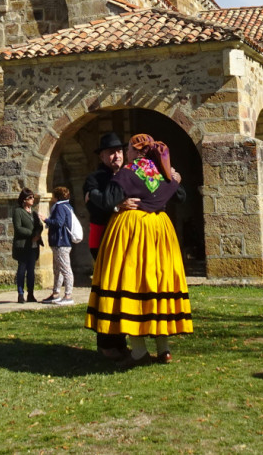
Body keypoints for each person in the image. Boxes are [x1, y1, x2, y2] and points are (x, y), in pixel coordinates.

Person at [86, 134, 192, 365]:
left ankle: (138, 351)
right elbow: (180, 196)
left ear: (133, 151)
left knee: (131, 285)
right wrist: (175, 178)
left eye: (126, 150)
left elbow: (107, 201)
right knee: (157, 286)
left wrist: (98, 197)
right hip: (160, 231)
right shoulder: (163, 172)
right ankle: (164, 348)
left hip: (132, 231)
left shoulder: (127, 173)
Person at [83, 132, 139, 359]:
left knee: (124, 290)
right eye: (110, 152)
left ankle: (121, 340)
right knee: (107, 291)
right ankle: (106, 343)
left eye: (118, 151)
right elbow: (96, 205)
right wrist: (118, 206)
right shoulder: (95, 178)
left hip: (125, 239)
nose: (115, 155)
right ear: (102, 156)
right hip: (103, 238)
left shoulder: (130, 174)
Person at [43, 186, 77, 305]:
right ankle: (56, 293)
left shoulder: (60, 207)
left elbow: (59, 223)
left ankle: (68, 295)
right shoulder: (68, 206)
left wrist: (46, 220)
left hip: (61, 242)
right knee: (58, 269)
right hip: (62, 242)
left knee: (65, 269)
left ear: (56, 196)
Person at [13, 188, 43, 303]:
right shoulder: (18, 211)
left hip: (33, 246)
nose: (32, 199)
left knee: (31, 271)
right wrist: (32, 235)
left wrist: (37, 234)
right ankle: (20, 293)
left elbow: (39, 225)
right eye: (30, 197)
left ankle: (31, 293)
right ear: (24, 199)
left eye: (33, 197)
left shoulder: (34, 212)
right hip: (23, 246)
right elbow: (18, 228)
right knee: (22, 270)